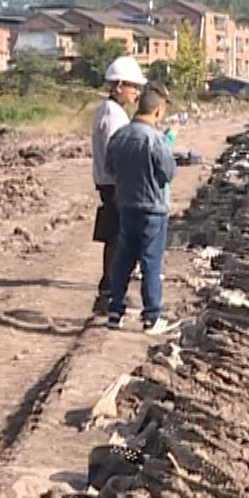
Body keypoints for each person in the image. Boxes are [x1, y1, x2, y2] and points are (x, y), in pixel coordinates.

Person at [104, 85, 178, 334]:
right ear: (158, 111)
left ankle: (115, 310)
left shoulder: (119, 136)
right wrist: (169, 141)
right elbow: (168, 172)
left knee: (123, 261)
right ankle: (152, 317)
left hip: (126, 206)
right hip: (153, 210)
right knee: (151, 264)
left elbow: (110, 169)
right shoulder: (156, 140)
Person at [91, 56, 147, 316]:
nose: (137, 93)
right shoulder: (114, 115)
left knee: (115, 239)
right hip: (115, 185)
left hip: (108, 183)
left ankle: (110, 290)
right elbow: (117, 153)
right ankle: (110, 293)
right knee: (119, 241)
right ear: (120, 86)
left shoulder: (107, 111)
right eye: (134, 87)